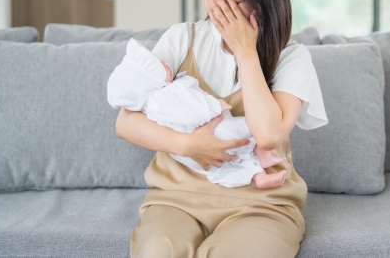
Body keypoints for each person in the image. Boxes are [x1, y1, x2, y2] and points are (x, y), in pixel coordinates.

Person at [115, 0, 328, 258]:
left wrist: (246, 52)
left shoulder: (291, 57)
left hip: (260, 206)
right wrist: (189, 146)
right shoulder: (181, 39)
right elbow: (126, 123)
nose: (219, 9)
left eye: (235, 0)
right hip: (177, 199)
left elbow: (269, 136)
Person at [106, 37, 288, 189]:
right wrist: (216, 107)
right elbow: (190, 111)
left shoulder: (158, 100)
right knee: (249, 127)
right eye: (159, 65)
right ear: (150, 81)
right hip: (210, 133)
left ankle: (259, 175)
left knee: (236, 157)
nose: (163, 62)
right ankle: (262, 160)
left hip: (200, 147)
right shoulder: (163, 98)